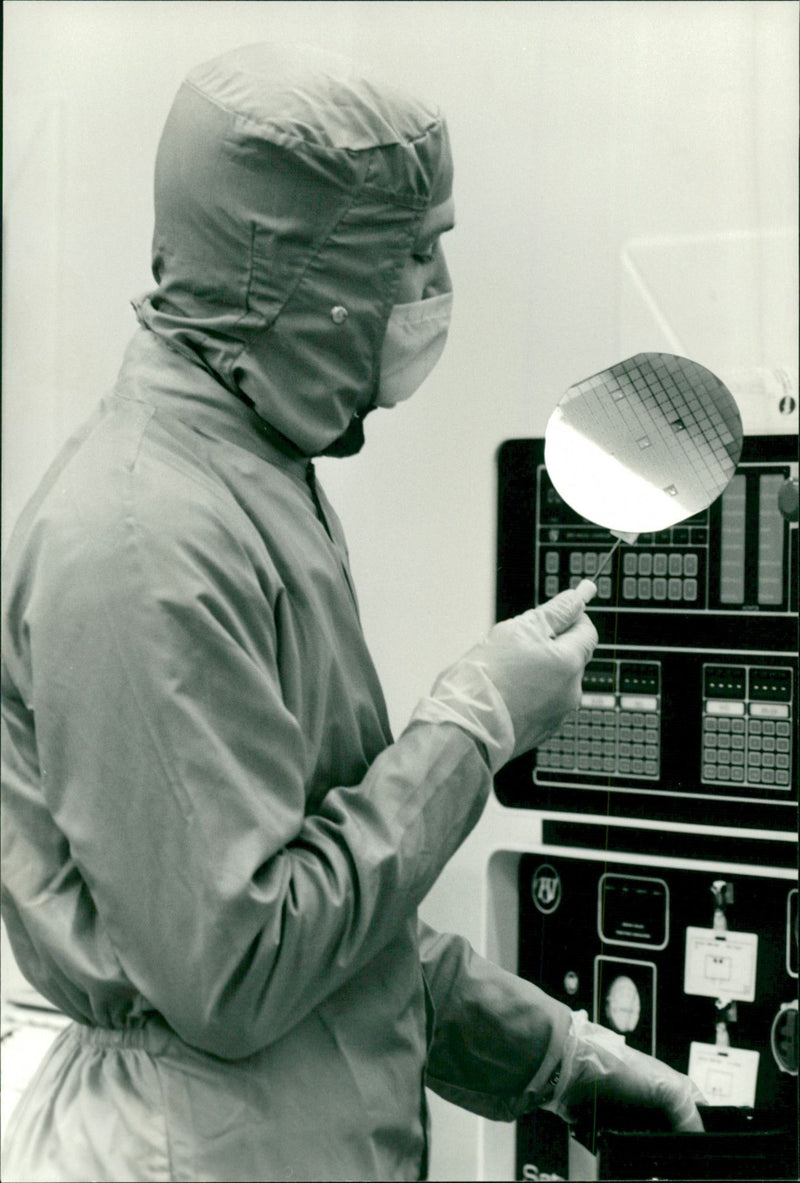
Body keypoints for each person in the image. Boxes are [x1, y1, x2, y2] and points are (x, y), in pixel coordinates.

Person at [1, 42, 703, 1183]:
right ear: (294, 277)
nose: (432, 292)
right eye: (412, 254)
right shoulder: (142, 543)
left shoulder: (250, 485)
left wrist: (561, 1059)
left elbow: (344, 934)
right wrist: (469, 729)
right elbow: (240, 965)